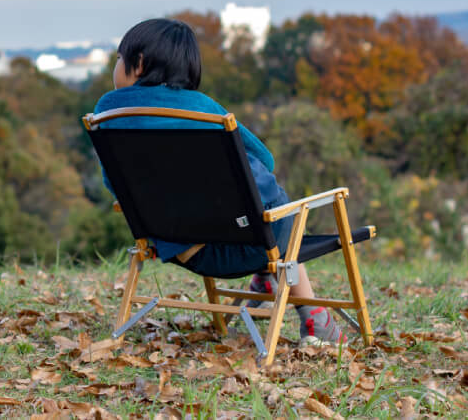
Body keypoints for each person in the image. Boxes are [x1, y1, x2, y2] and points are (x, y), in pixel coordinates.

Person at [94, 19, 345, 346]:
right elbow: (265, 160)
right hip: (247, 242)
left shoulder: (106, 114)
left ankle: (268, 281)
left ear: (138, 63)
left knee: (266, 219)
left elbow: (114, 183)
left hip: (179, 248)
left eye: (118, 58)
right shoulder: (203, 111)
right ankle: (315, 319)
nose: (115, 66)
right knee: (284, 217)